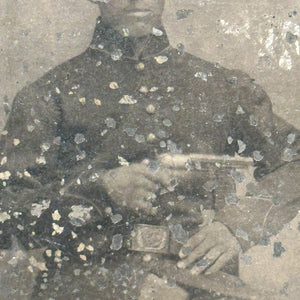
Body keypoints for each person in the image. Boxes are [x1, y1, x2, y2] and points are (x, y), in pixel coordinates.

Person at [0, 0, 299, 298]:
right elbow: (6, 213)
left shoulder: (219, 85)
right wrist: (99, 189)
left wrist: (237, 226)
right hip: (86, 285)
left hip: (200, 284)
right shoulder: (49, 94)